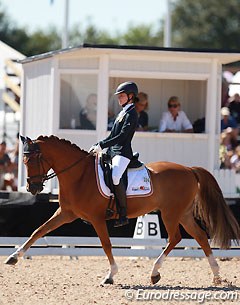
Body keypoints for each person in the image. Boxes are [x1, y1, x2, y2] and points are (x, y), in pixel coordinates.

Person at [89, 81, 139, 227]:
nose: (119, 99)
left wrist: (103, 145)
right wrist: (99, 145)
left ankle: (123, 214)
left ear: (131, 96)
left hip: (123, 153)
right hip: (112, 152)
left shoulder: (132, 114)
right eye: (119, 96)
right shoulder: (122, 113)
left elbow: (123, 136)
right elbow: (112, 135)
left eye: (122, 96)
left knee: (115, 176)